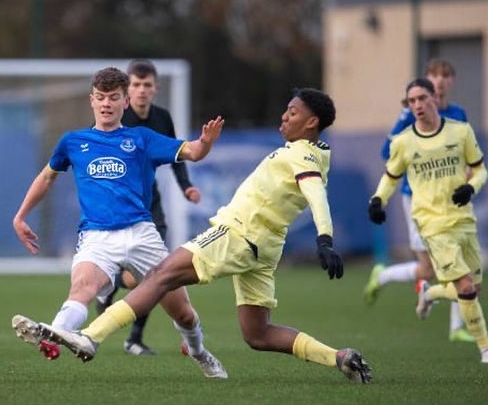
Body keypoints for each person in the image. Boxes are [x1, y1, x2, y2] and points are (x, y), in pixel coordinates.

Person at [25, 88, 373, 384]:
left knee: (160, 275)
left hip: (237, 234)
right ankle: (338, 357)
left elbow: (314, 193)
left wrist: (325, 238)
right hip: (266, 247)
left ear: (311, 122)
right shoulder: (317, 153)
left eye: (293, 112)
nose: (284, 117)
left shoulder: (302, 153)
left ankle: (89, 337)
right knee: (257, 334)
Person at [11, 67, 228, 378]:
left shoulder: (142, 138)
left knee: (182, 312)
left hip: (142, 234)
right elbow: (47, 177)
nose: (106, 104)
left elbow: (192, 151)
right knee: (82, 287)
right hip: (96, 237)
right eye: (100, 98)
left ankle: (199, 351)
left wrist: (205, 143)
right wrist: (20, 216)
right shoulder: (73, 142)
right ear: (92, 101)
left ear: (125, 102)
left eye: (113, 98)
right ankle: (54, 333)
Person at [368, 78, 488, 363]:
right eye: (412, 101)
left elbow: (480, 170)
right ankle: (485, 348)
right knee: (466, 289)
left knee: (473, 286)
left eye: (422, 98)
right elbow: (391, 176)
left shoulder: (460, 132)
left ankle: (430, 292)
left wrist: (471, 187)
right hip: (431, 224)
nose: (417, 105)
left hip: (463, 220)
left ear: (435, 97)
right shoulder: (404, 142)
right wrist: (377, 200)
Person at [95, 59, 202, 356]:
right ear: (128, 90)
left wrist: (186, 187)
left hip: (150, 207)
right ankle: (109, 284)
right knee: (136, 276)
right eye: (136, 84)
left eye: (147, 85)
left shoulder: (162, 118)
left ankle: (134, 339)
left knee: (154, 275)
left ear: (155, 89)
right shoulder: (118, 117)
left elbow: (176, 154)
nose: (141, 90)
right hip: (117, 208)